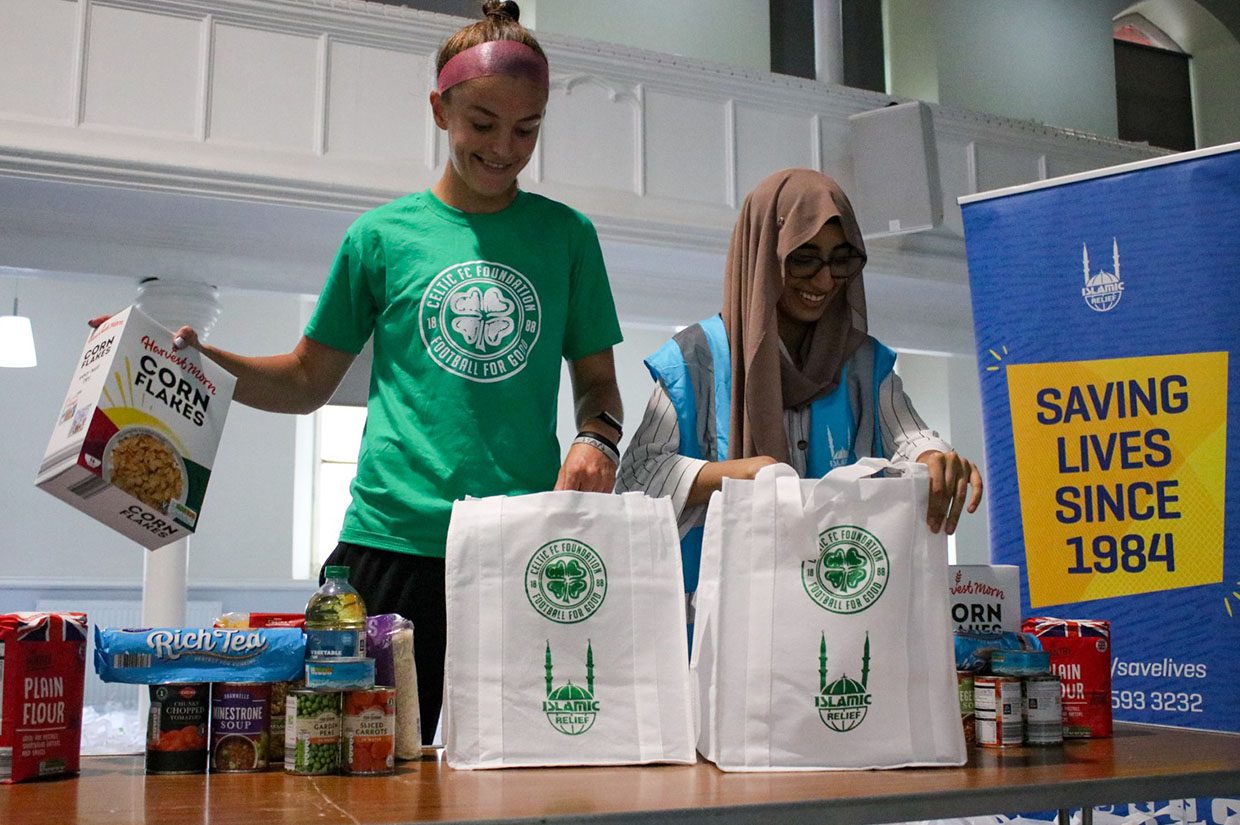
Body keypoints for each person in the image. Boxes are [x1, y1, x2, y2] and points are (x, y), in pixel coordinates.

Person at [92, 0, 624, 744]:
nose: (505, 147)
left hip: (517, 548)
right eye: (482, 123)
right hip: (387, 550)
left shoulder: (568, 238)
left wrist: (597, 440)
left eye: (527, 128)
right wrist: (207, 362)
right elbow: (306, 380)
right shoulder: (379, 238)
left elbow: (600, 388)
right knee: (359, 773)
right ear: (439, 109)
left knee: (512, 769)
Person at [615, 167, 981, 629]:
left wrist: (935, 457)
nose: (825, 280)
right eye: (804, 258)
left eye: (841, 260)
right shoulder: (696, 358)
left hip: (837, 620)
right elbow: (636, 483)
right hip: (716, 628)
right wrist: (732, 473)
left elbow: (912, 440)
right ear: (765, 254)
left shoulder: (863, 363)